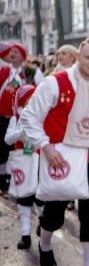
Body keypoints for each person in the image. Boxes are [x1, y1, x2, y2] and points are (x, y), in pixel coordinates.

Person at [20, 38, 89, 266]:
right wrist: (46, 146)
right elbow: (30, 116)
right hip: (60, 157)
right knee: (53, 215)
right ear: (78, 55)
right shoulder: (55, 82)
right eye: (88, 58)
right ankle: (45, 245)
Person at [0, 43, 43, 193]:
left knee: (20, 148)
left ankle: (21, 180)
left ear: (23, 55)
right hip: (3, 115)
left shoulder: (30, 71)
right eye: (11, 51)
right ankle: (3, 180)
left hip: (22, 116)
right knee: (3, 148)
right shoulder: (4, 70)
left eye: (16, 52)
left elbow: (40, 89)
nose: (12, 54)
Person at [4, 85, 38, 249]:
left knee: (40, 195)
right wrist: (21, 131)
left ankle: (43, 223)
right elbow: (8, 140)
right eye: (29, 100)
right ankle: (25, 234)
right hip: (22, 160)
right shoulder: (15, 118)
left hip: (39, 160)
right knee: (24, 198)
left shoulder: (42, 116)